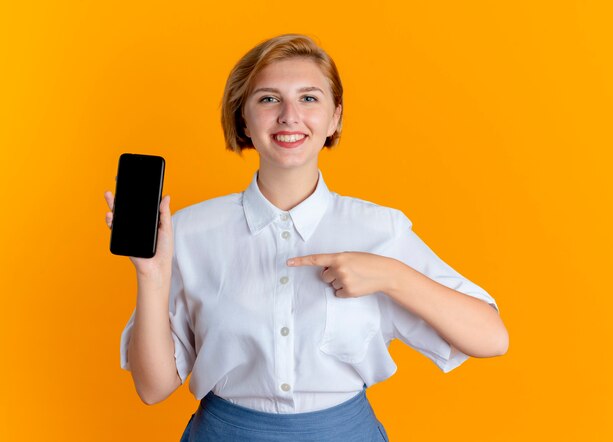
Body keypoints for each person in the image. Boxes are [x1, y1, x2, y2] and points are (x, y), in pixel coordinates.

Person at [104, 33, 508, 442]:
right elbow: (153, 389)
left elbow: (492, 338)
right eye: (268, 99)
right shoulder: (188, 231)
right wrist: (150, 277)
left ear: (335, 117)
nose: (289, 115)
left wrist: (390, 274)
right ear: (242, 117)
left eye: (309, 98)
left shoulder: (380, 230)